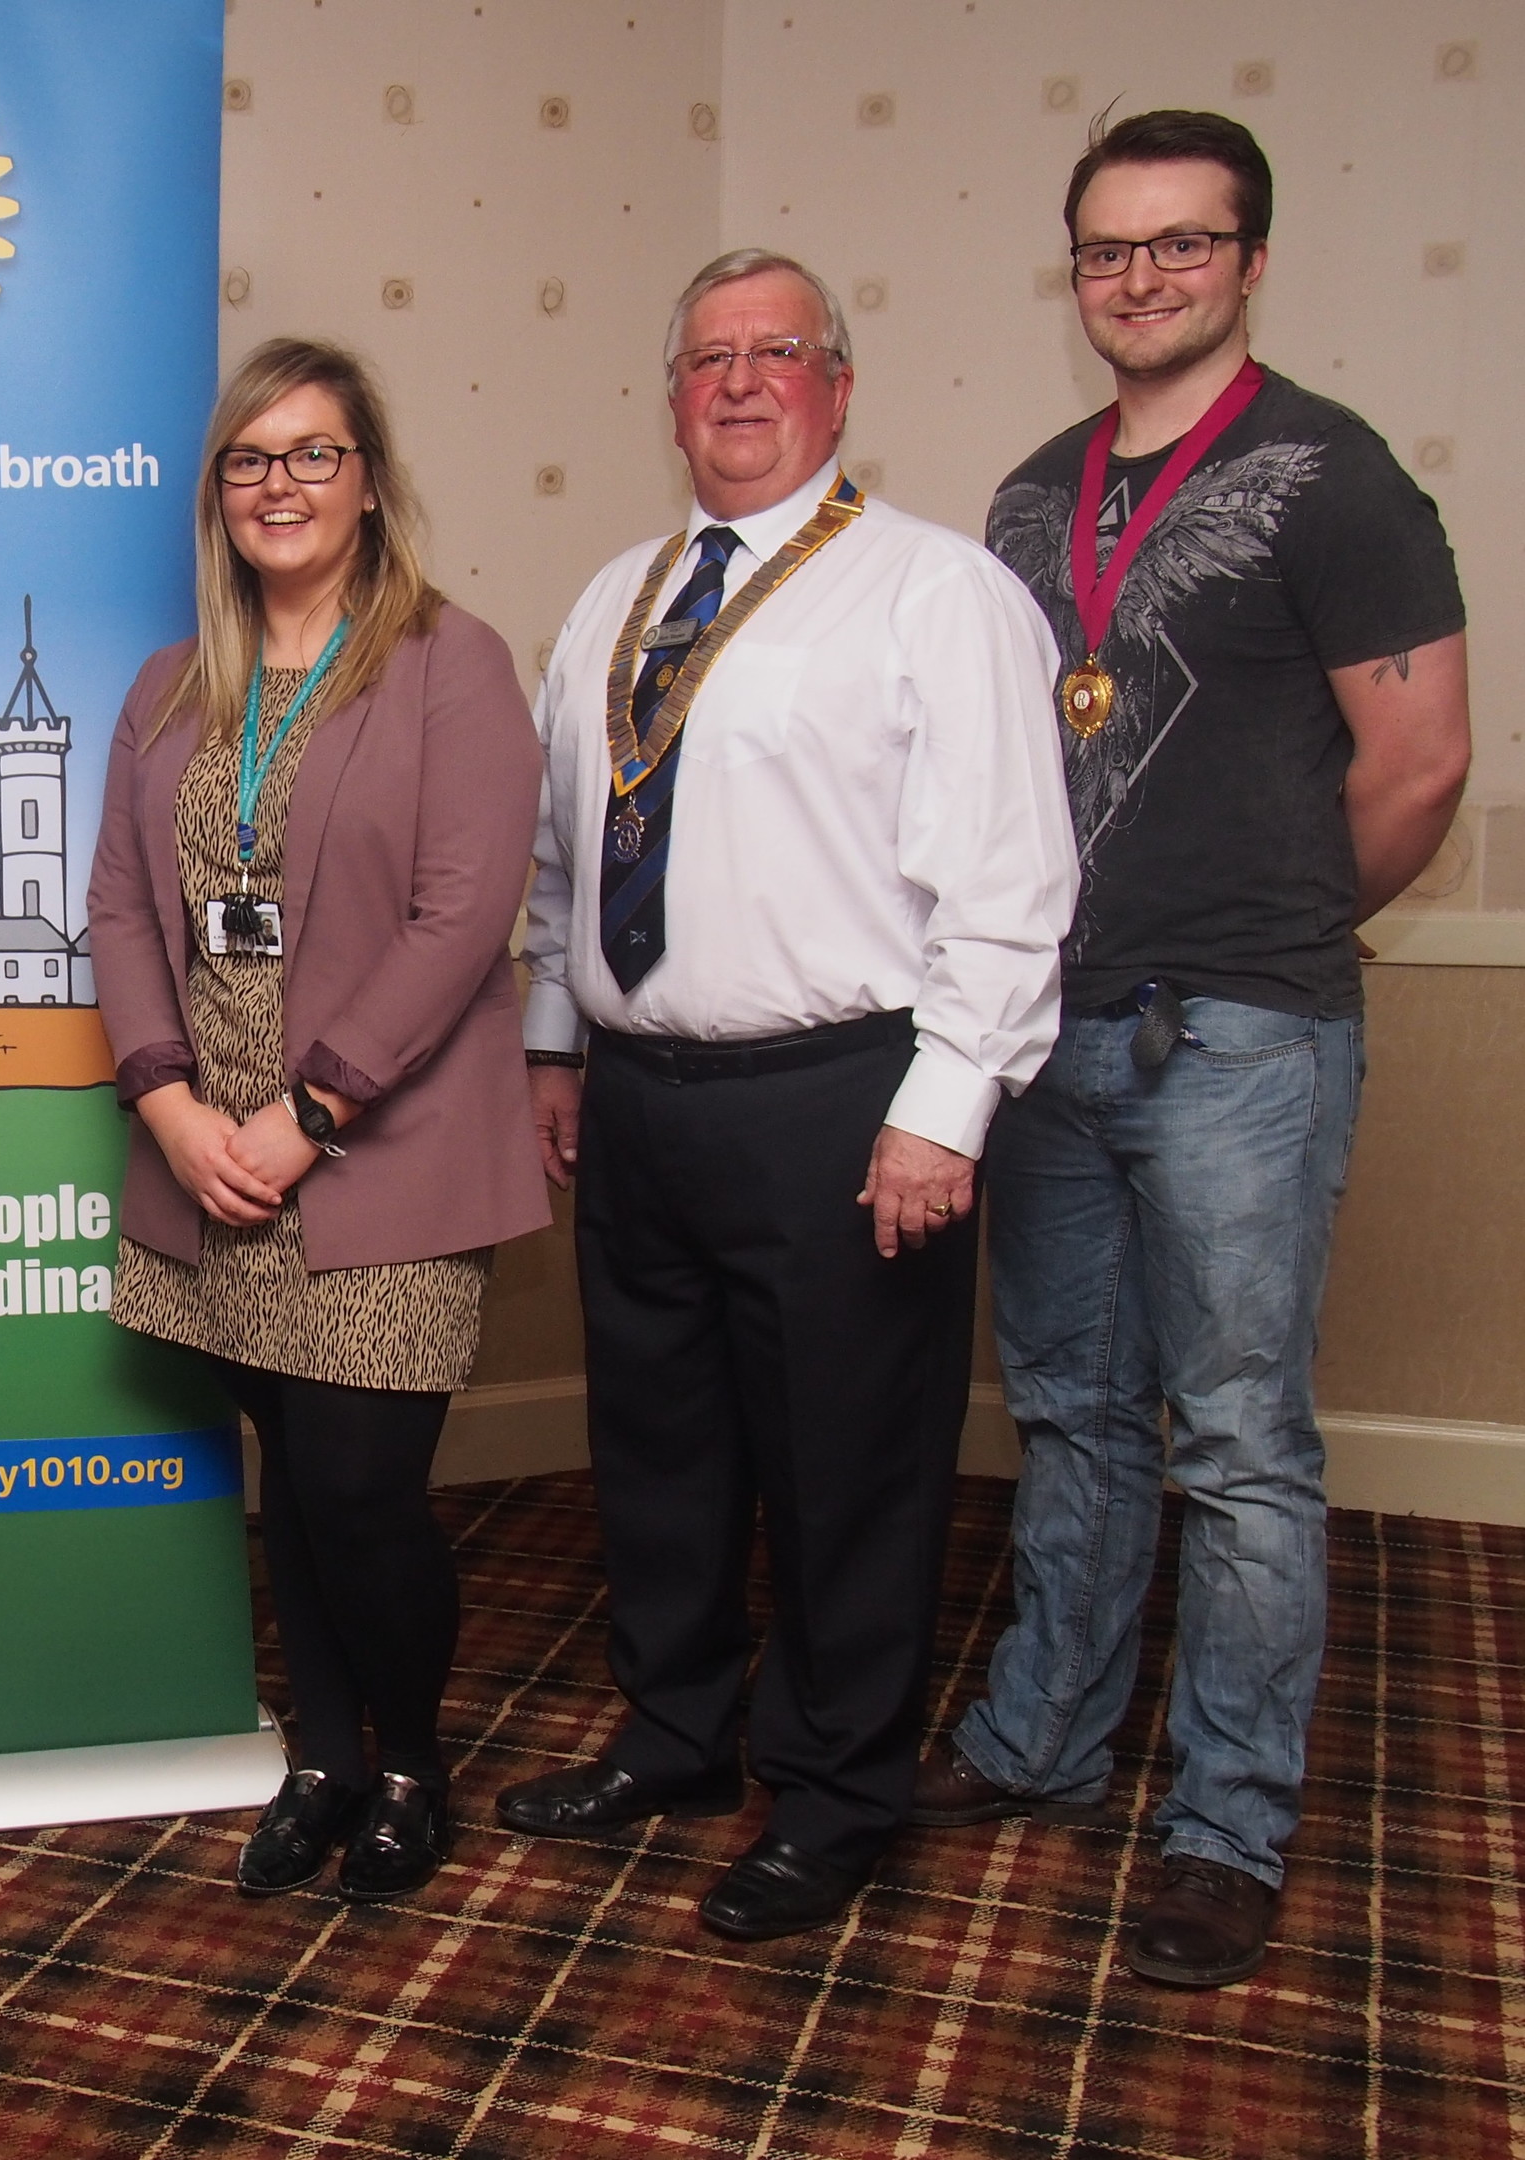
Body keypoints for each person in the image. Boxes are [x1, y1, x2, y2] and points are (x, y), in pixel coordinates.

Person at [920, 112, 1468, 1989]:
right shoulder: (1021, 497)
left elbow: (1419, 768)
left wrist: (1276, 928)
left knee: (1236, 1445)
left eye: (1177, 242)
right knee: (1069, 1415)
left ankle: (1227, 1824)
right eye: (1103, 248)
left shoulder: (1334, 477)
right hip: (1043, 1033)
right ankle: (1037, 1749)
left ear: (1247, 258)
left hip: (1237, 1033)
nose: (1137, 276)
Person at [505, 251, 1075, 1941]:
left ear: (838, 384)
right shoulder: (613, 600)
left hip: (845, 1102)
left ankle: (836, 1792)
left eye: (777, 354)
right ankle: (678, 1735)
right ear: (667, 394)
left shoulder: (934, 593)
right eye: (705, 360)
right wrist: (555, 1038)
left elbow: (1009, 881)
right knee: (658, 1448)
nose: (738, 385)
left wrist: (943, 1109)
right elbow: (564, 852)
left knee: (847, 1469)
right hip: (642, 1100)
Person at [90, 337, 547, 1904]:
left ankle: (411, 1766)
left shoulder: (447, 662)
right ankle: (322, 1759)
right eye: (247, 460)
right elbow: (117, 915)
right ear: (216, 494)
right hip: (211, 1155)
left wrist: (314, 1106)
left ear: (368, 484)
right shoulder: (169, 688)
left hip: (375, 1158)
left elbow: (461, 913)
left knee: (363, 1492)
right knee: (287, 1476)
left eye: (312, 455)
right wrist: (166, 1105)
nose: (277, 485)